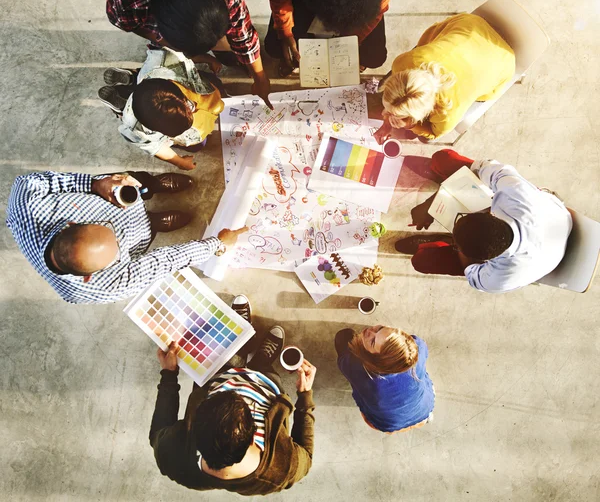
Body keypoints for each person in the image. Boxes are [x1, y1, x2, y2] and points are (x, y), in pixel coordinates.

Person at [6, 171, 247, 304]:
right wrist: (217, 245)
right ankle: (154, 223)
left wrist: (94, 183)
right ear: (90, 276)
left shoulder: (25, 208)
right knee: (144, 232)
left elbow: (27, 181)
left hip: (109, 195)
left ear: (69, 224)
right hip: (138, 235)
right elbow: (164, 261)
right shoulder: (104, 288)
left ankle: (153, 185)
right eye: (117, 248)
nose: (118, 237)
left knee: (133, 180)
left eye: (105, 230)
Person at [150, 309, 317, 496]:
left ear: (194, 429)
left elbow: (158, 432)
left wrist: (169, 374)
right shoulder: (282, 470)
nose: (235, 385)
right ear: (254, 434)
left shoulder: (173, 460)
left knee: (228, 357)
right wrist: (305, 396)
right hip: (266, 384)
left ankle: (241, 342)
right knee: (261, 367)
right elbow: (306, 455)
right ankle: (261, 358)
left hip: (216, 375)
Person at [394, 150, 573, 293]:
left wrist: (460, 247)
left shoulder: (502, 276)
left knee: (421, 261)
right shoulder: (516, 195)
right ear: (490, 213)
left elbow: (473, 275)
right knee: (443, 159)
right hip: (552, 219)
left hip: (545, 254)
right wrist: (433, 201)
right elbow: (488, 168)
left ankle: (447, 243)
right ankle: (442, 179)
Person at [106, 0, 272, 108]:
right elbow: (122, 21)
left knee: (231, 52)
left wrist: (261, 78)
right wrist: (158, 39)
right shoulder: (128, 1)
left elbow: (245, 38)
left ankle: (227, 53)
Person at [374, 14, 515, 142]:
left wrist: (411, 126)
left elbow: (434, 133)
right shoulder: (403, 62)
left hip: (502, 62)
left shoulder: (447, 113)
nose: (386, 114)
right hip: (470, 25)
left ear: (424, 112)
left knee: (426, 139)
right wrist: (390, 119)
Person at [99, 47, 225, 171]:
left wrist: (208, 59)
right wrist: (179, 162)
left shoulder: (166, 59)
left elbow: (186, 53)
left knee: (215, 82)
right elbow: (155, 146)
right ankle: (123, 105)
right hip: (141, 100)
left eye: (189, 107)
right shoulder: (136, 129)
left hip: (153, 77)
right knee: (197, 146)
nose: (192, 110)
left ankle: (133, 79)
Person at [335, 325, 434, 433]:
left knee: (344, 336)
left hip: (385, 423)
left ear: (375, 362)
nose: (368, 331)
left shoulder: (353, 366)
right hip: (423, 408)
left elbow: (343, 361)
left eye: (372, 342)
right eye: (380, 329)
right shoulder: (418, 347)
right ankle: (424, 418)